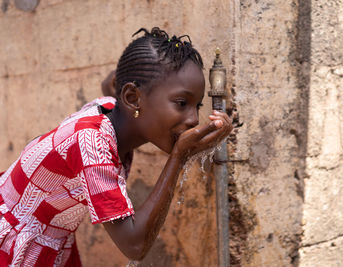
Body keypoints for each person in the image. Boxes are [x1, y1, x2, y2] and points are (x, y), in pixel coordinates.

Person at [0, 27, 232, 266]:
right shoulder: (91, 143)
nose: (194, 119)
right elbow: (134, 245)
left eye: (197, 105)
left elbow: (110, 83)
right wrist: (179, 156)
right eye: (182, 103)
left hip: (49, 239)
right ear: (132, 98)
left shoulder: (111, 107)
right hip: (12, 242)